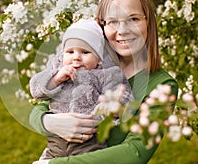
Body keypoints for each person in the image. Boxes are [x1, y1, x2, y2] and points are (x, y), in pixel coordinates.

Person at [29, 0, 179, 164]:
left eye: (133, 19)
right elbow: (41, 106)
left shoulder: (162, 85)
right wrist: (48, 123)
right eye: (113, 22)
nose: (122, 30)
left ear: (148, 22)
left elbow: (135, 152)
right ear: (102, 27)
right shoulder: (89, 63)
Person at [29, 19, 134, 159]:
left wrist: (113, 107)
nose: (76, 58)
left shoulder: (105, 74)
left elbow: (122, 94)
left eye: (85, 52)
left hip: (88, 143)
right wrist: (56, 78)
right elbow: (36, 90)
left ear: (99, 59)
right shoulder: (59, 72)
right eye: (70, 52)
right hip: (56, 143)